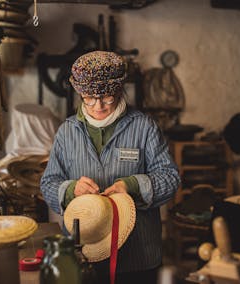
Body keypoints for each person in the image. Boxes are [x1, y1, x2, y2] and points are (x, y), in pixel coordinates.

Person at [40, 50, 180, 283]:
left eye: (107, 98)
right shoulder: (67, 131)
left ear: (120, 90)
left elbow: (170, 178)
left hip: (138, 256)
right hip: (84, 252)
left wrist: (132, 185)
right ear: (79, 93)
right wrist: (70, 189)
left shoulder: (144, 127)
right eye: (89, 98)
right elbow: (48, 183)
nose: (98, 106)